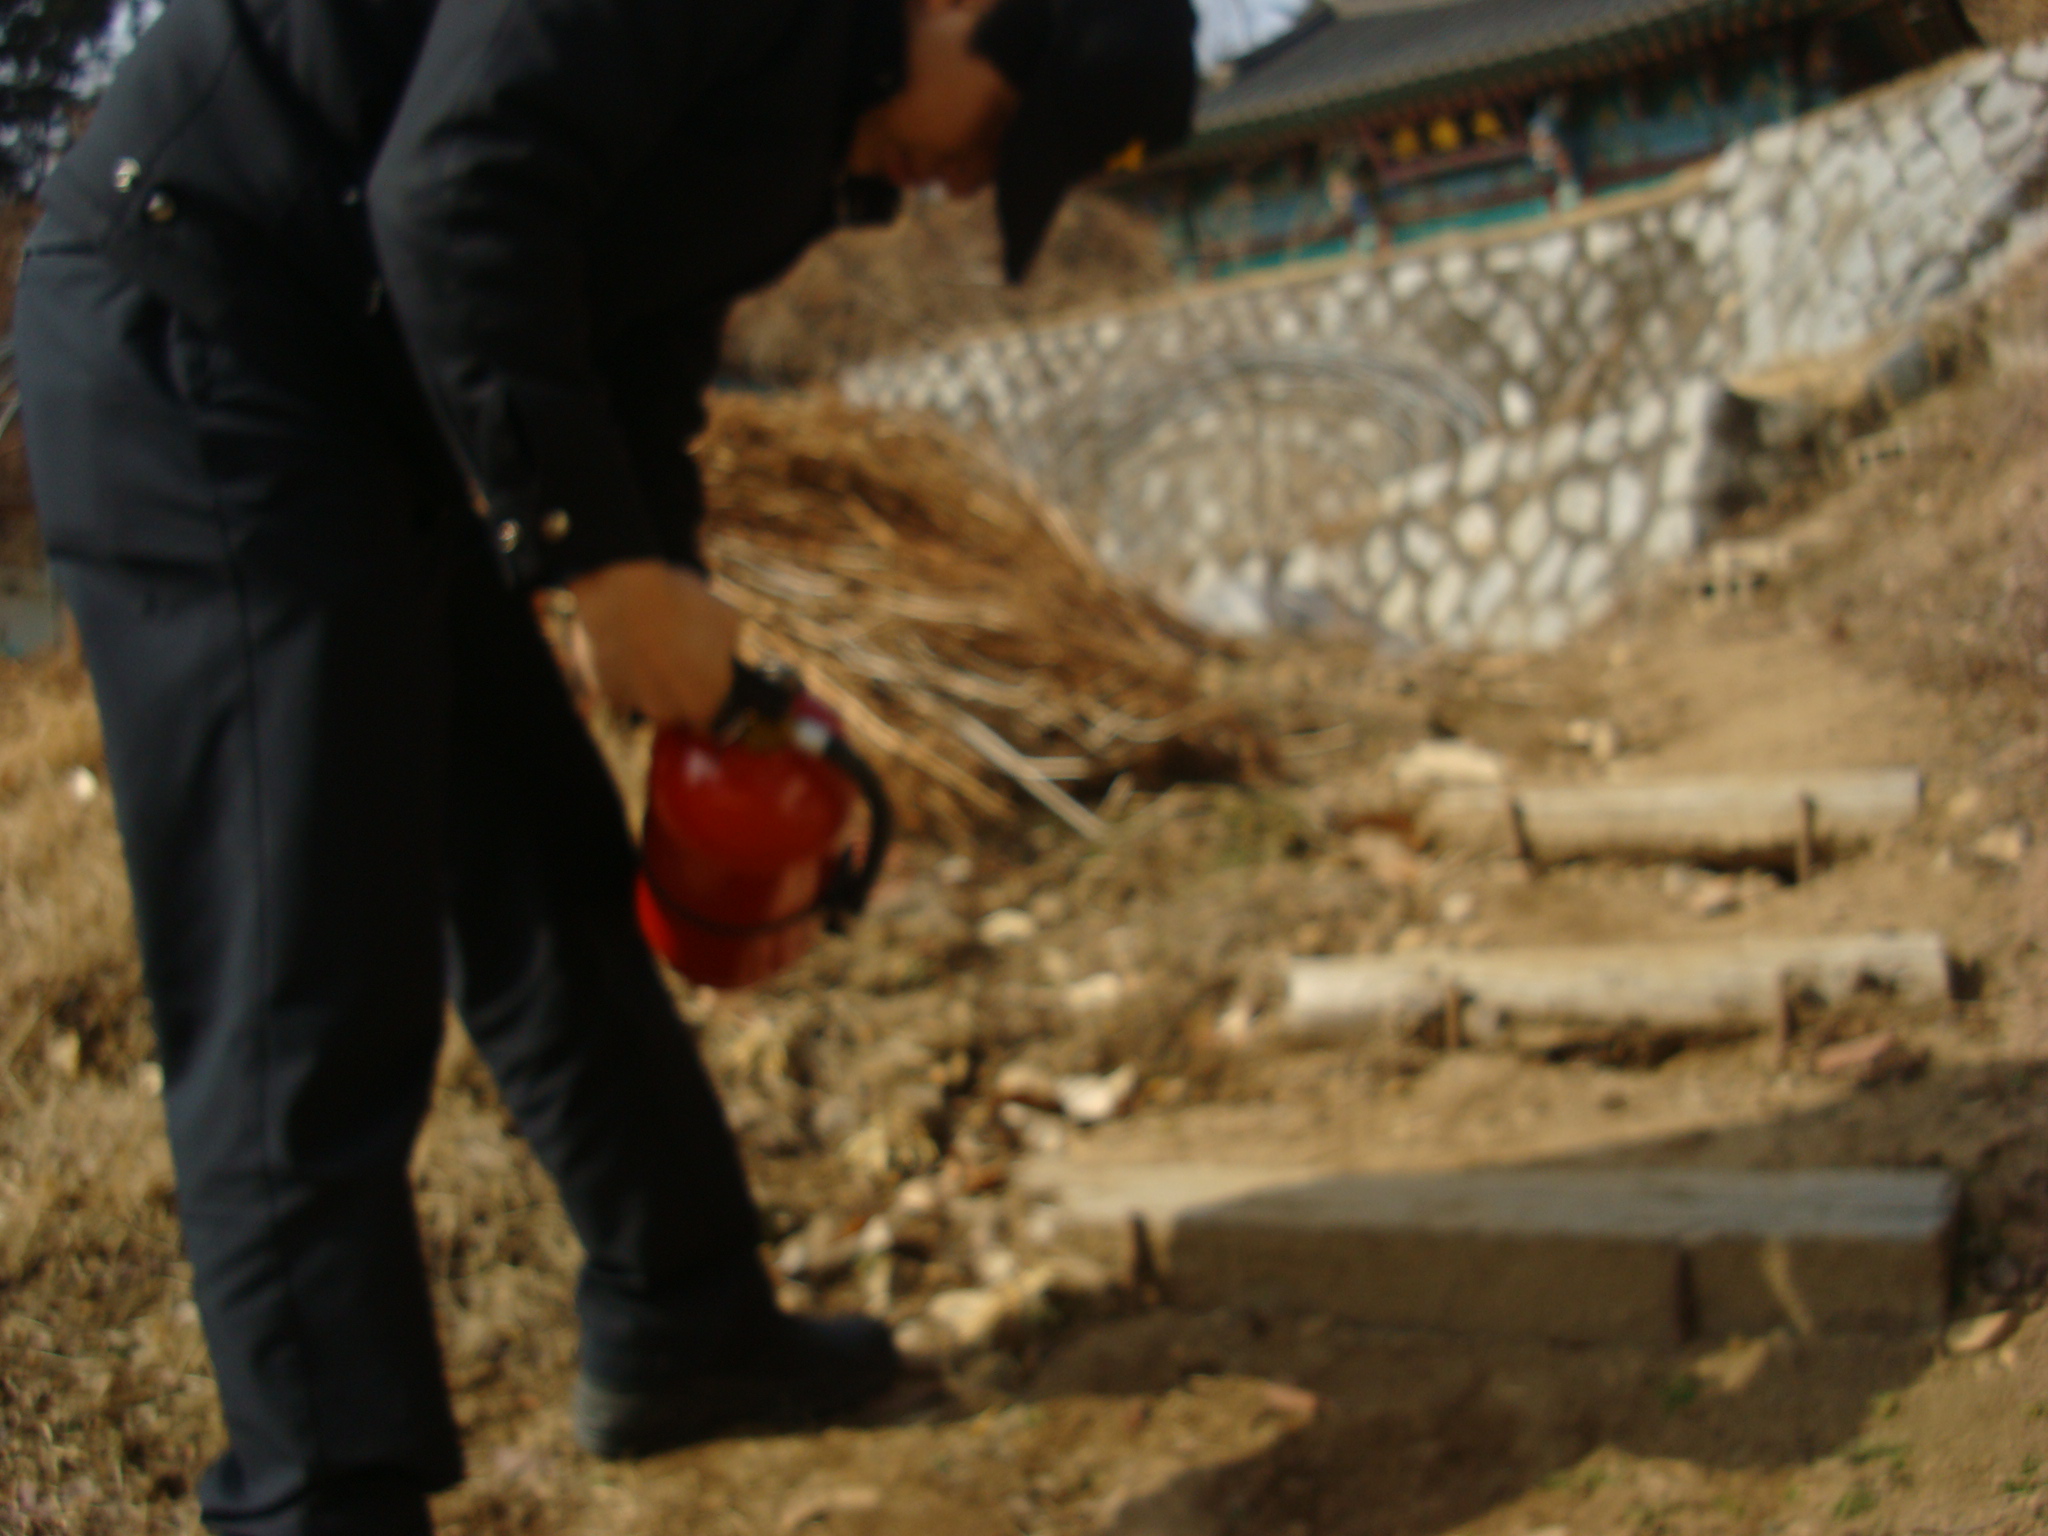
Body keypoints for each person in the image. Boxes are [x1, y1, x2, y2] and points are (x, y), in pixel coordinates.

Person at [11, 0, 1196, 1528]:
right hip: (208, 324)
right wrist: (590, 558)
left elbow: (634, 346)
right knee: (299, 961)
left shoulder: (814, 128)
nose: (968, 185)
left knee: (545, 867)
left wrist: (658, 580)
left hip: (382, 390)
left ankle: (685, 1321)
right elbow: (457, 192)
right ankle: (319, 1494)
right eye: (999, 140)